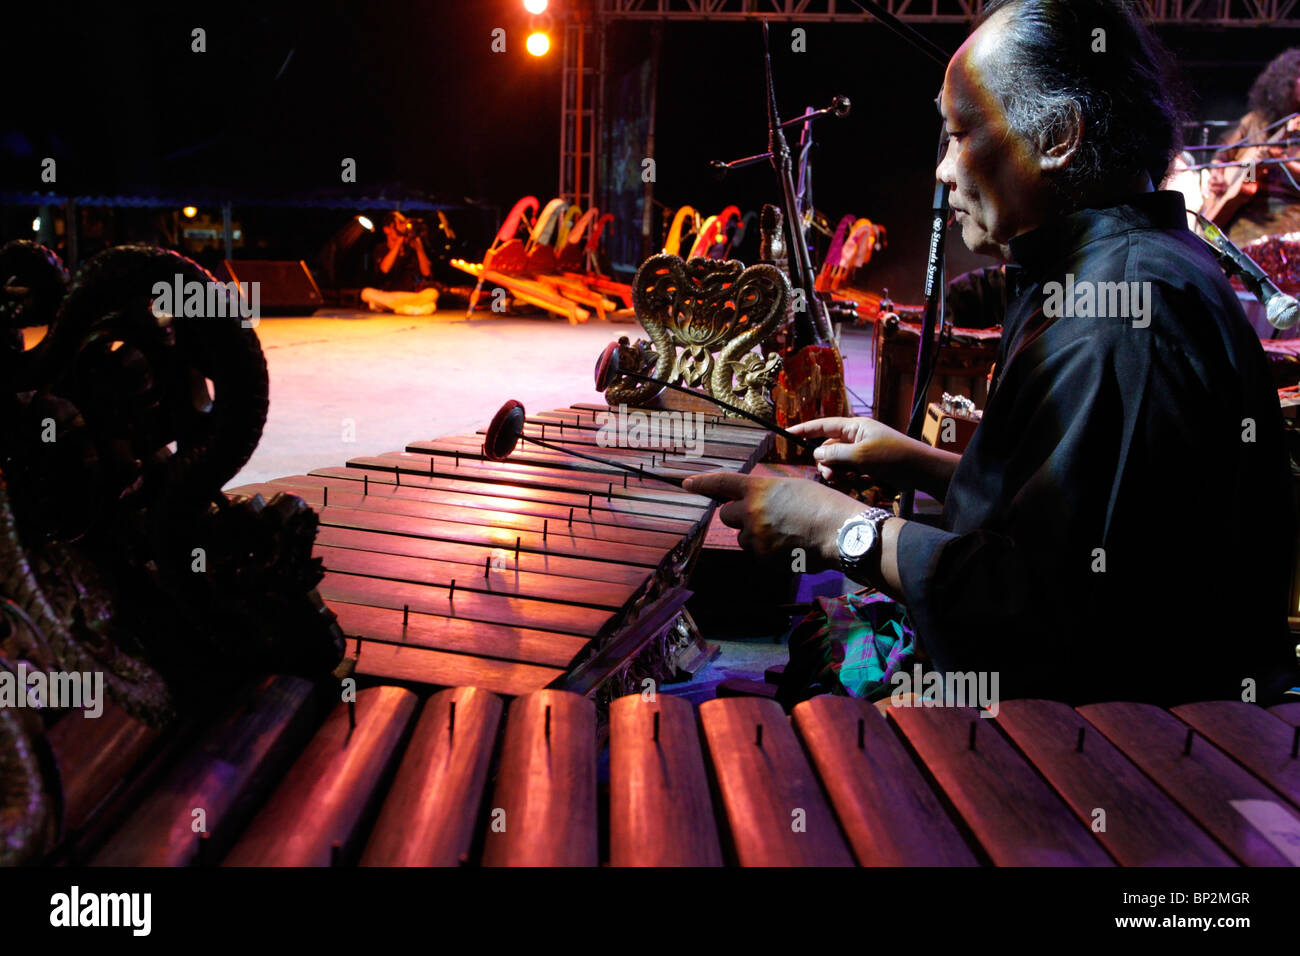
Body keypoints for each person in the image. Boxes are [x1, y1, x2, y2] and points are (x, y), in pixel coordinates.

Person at [685, 0, 1298, 708]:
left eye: (959, 133)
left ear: (1059, 135)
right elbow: (1087, 509)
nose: (943, 171)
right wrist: (916, 460)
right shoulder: (1109, 270)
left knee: (721, 728)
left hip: (1122, 754)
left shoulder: (1123, 311)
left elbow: (1039, 609)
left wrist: (837, 528)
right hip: (1090, 704)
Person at [1205, 47, 1300, 245]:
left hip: (1289, 220)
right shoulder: (1256, 121)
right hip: (1242, 218)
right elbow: (1225, 152)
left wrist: (1281, 161)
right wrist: (1217, 172)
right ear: (1286, 83)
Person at [359, 211, 440, 315]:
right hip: (389, 295)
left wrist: (419, 248)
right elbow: (384, 269)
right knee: (366, 293)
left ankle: (392, 307)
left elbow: (426, 273)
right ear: (386, 230)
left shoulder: (411, 248)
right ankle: (410, 308)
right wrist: (399, 241)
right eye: (397, 226)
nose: (401, 229)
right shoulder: (381, 248)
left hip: (412, 295)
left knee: (433, 293)